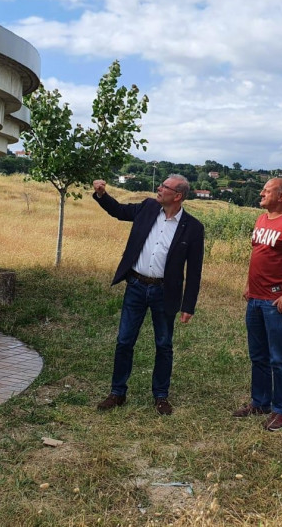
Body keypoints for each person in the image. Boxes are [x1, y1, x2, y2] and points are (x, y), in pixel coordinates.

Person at [93, 174, 205, 416]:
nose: (159, 188)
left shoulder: (193, 228)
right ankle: (117, 392)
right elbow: (120, 211)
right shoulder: (147, 207)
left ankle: (161, 396)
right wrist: (102, 195)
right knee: (124, 341)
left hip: (165, 292)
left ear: (178, 196)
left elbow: (194, 270)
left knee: (163, 345)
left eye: (165, 186)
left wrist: (189, 305)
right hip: (136, 286)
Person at [233, 178, 282, 431]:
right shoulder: (261, 220)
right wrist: (249, 285)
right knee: (258, 355)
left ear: (281, 196)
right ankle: (260, 402)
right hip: (255, 299)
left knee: (278, 358)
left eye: (267, 191)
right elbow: (258, 256)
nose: (261, 193)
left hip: (274, 302)